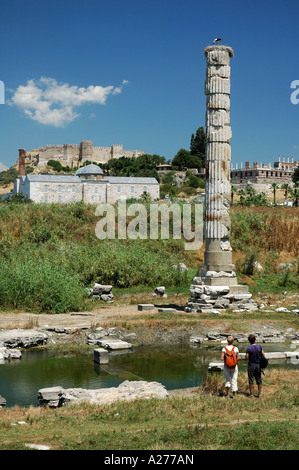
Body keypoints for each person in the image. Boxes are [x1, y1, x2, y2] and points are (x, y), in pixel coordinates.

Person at [245, 334, 266, 398]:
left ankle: (251, 394)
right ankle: (259, 394)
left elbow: (246, 357)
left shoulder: (249, 348)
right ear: (255, 340)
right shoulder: (259, 347)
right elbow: (263, 355)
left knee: (251, 379)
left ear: (249, 341)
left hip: (251, 364)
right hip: (258, 365)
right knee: (259, 379)